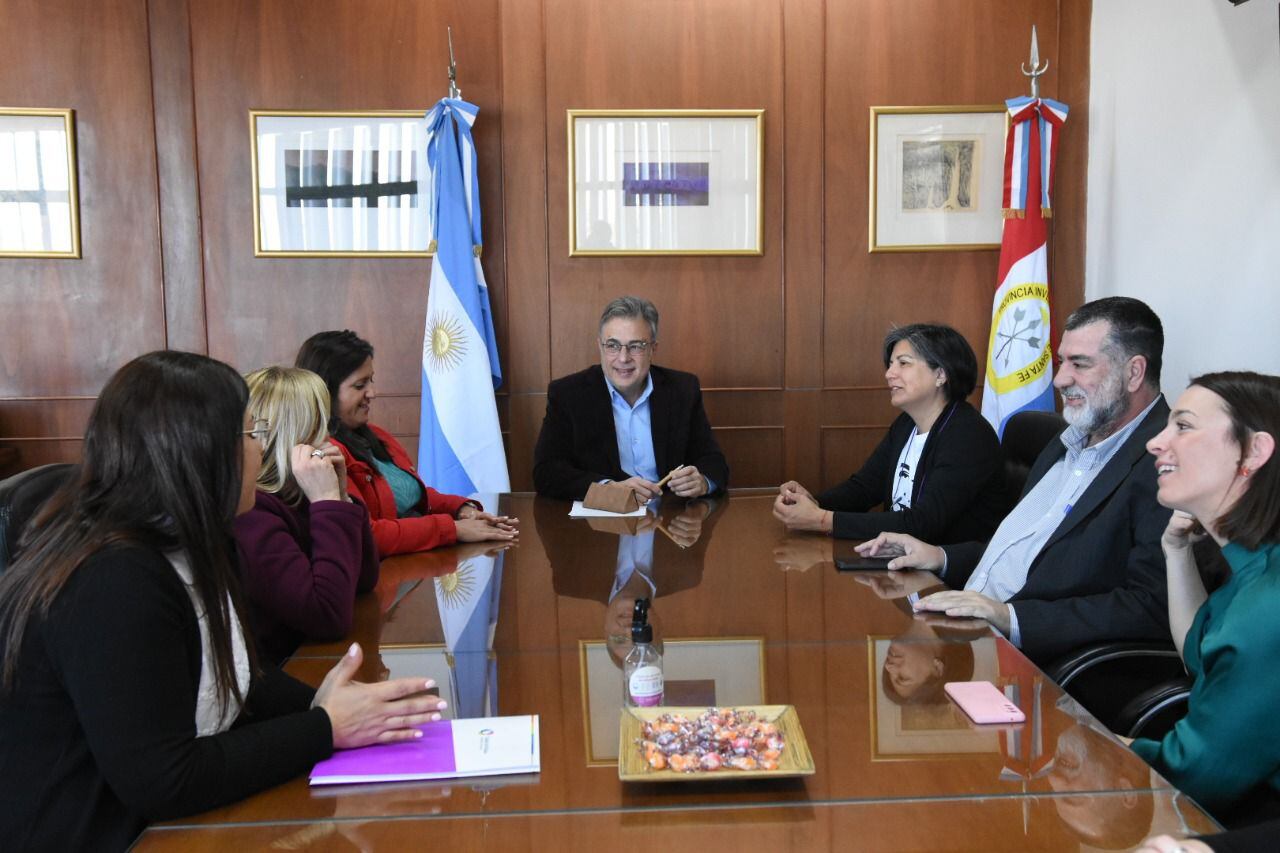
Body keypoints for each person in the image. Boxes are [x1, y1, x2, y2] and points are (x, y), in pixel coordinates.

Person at [0, 351, 446, 852]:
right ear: (202, 452)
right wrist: (324, 726)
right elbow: (164, 779)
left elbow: (240, 677)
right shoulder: (112, 577)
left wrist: (346, 708)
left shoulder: (195, 539)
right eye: (252, 435)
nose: (261, 450)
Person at [856, 297, 1173, 664]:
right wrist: (939, 556)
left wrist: (1010, 618)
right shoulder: (1066, 440)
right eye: (1060, 363)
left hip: (1034, 659)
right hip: (965, 625)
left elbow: (1149, 607)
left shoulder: (1165, 460)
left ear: (1134, 373)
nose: (1060, 379)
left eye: (1079, 364)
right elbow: (1018, 548)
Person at [1129, 371, 1280, 827]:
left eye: (1183, 425)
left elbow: (1193, 779)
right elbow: (1201, 657)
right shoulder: (1255, 565)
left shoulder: (1268, 603)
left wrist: (1087, 742)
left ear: (1254, 451)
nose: (1156, 443)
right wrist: (1175, 553)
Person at [773, 323, 1010, 543]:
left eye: (903, 363)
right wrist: (814, 502)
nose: (889, 374)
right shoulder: (906, 424)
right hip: (900, 560)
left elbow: (923, 524)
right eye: (891, 364)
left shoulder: (968, 436)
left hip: (949, 579)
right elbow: (864, 488)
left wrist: (821, 519)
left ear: (940, 375)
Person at [295, 330, 517, 557]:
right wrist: (453, 529)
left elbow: (412, 496)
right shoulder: (323, 455)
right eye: (360, 385)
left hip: (418, 561)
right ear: (324, 392)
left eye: (370, 380)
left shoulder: (377, 435)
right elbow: (368, 535)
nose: (373, 392)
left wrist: (462, 510)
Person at [233, 366, 379, 665]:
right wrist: (326, 502)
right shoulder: (253, 511)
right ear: (296, 434)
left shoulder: (298, 494)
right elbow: (327, 616)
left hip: (309, 663)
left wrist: (341, 497)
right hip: (279, 678)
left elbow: (364, 580)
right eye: (320, 426)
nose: (327, 438)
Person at [532, 296, 729, 503]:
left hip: (668, 521)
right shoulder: (567, 394)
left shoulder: (682, 389)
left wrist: (703, 481)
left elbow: (713, 461)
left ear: (653, 349)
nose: (623, 358)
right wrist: (609, 489)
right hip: (600, 526)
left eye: (636, 346)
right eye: (613, 346)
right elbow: (546, 473)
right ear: (600, 346)